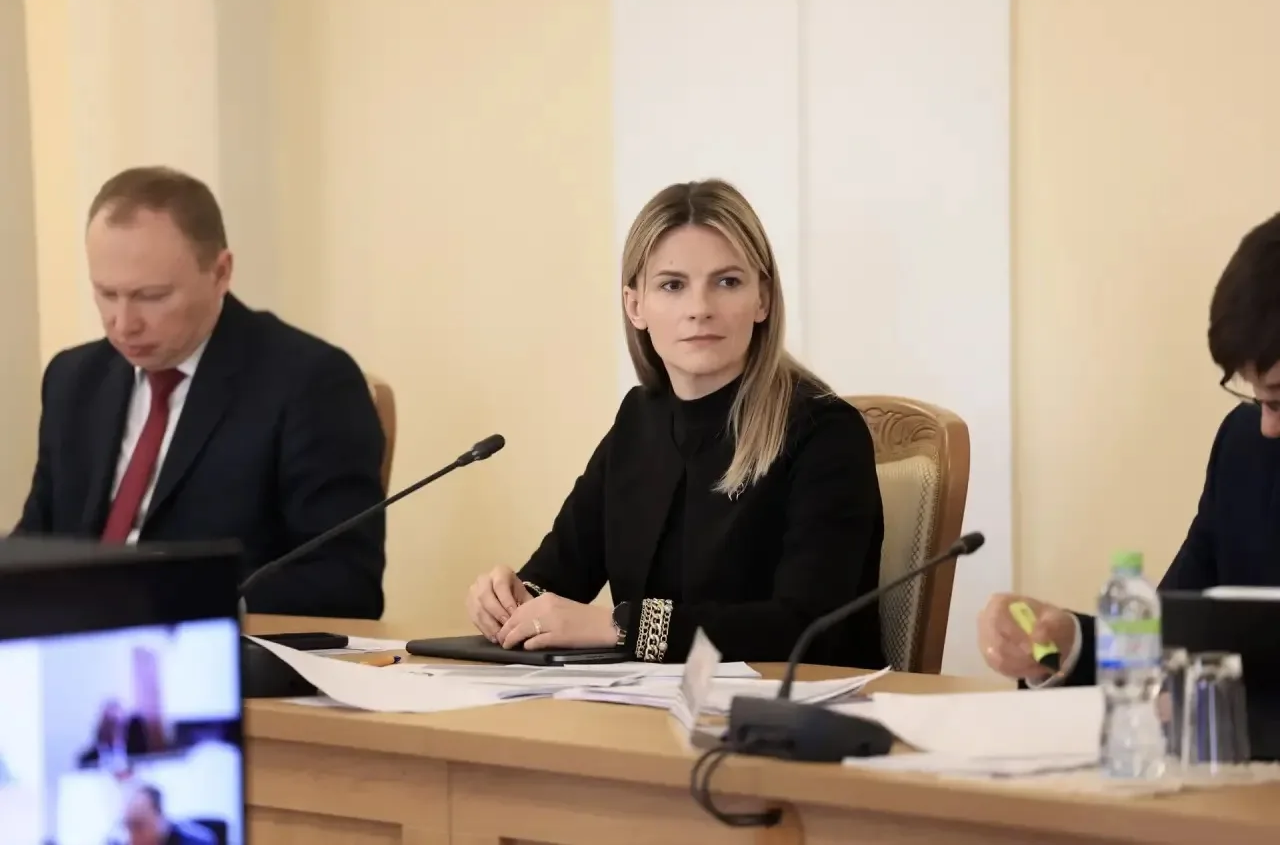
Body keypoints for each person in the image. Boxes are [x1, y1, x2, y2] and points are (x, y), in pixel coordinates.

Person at [465, 179, 887, 667]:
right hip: (645, 705)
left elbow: (805, 626)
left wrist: (619, 627)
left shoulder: (825, 433)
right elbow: (559, 575)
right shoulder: (638, 421)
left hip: (790, 704)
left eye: (727, 282)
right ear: (635, 306)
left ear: (763, 299)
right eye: (672, 285)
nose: (700, 309)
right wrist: (509, 602)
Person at [11, 166, 387, 619]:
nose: (124, 323)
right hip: (71, 640)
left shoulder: (310, 381)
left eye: (151, 296)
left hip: (208, 642)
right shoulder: (74, 379)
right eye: (106, 293)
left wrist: (195, 599)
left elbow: (346, 580)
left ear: (220, 272)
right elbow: (37, 540)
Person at [979, 211, 1280, 687]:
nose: (1267, 426)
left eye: (1278, 400)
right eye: (1259, 399)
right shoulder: (1245, 450)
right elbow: (1173, 635)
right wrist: (1067, 646)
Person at [120, 785, 216, 845]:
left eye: (138, 826)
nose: (131, 837)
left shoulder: (195, 842)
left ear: (159, 818)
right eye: (128, 826)